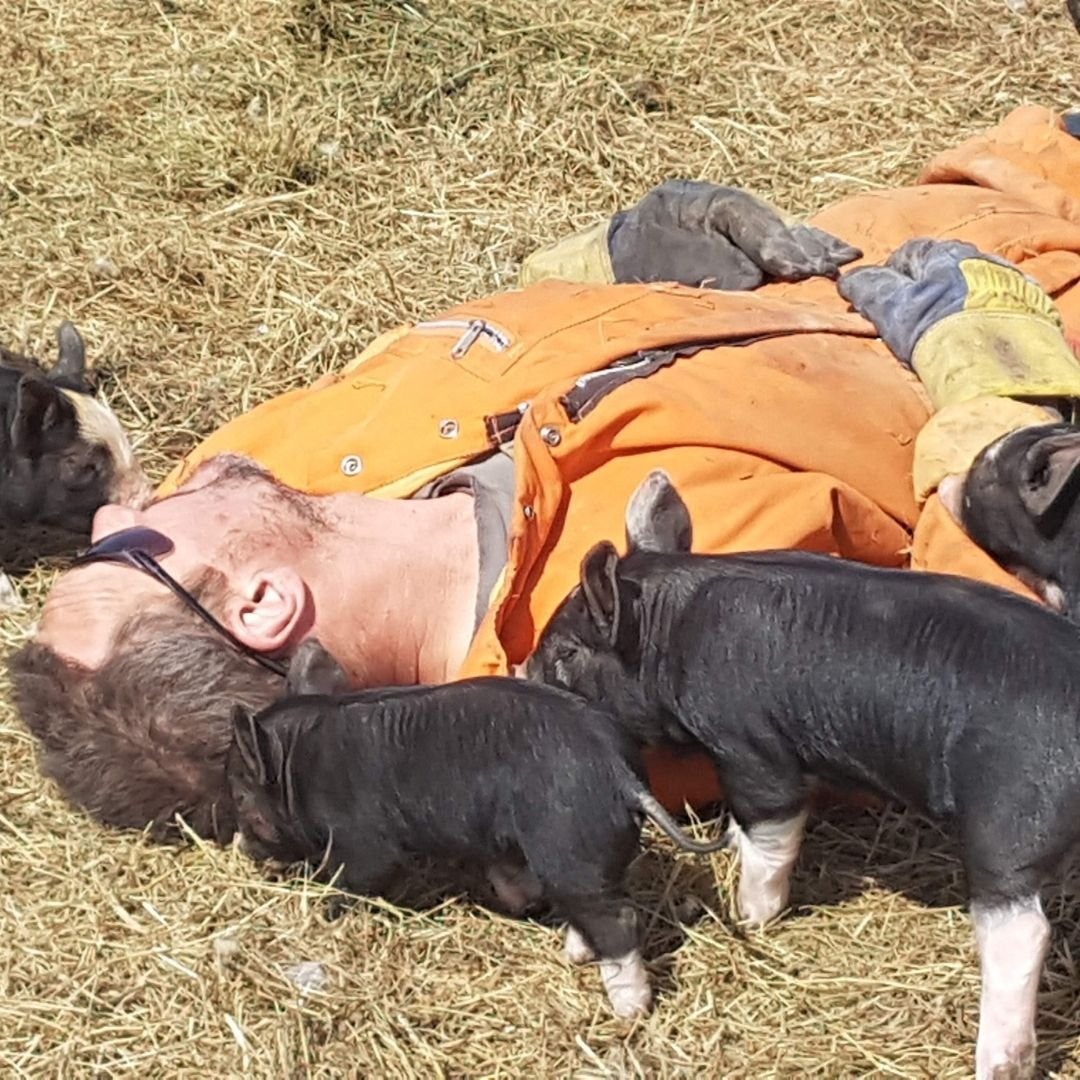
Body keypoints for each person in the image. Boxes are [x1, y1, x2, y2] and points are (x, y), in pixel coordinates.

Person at [11, 104, 1080, 843]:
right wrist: (997, 397)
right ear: (260, 602)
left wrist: (620, 254)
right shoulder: (656, 668)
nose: (123, 502)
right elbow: (1002, 659)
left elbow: (496, 325)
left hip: (1007, 174)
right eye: (130, 548)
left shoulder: (272, 463)